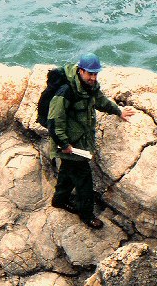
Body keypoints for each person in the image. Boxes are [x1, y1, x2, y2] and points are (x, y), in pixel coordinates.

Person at [47, 53, 135, 229]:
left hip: (79, 141)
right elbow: (54, 121)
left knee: (67, 171)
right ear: (80, 71)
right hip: (70, 145)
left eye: (95, 74)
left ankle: (59, 200)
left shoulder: (90, 86)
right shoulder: (66, 92)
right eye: (90, 73)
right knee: (84, 181)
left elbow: (100, 101)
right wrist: (64, 144)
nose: (93, 77)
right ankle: (87, 215)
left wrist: (118, 111)